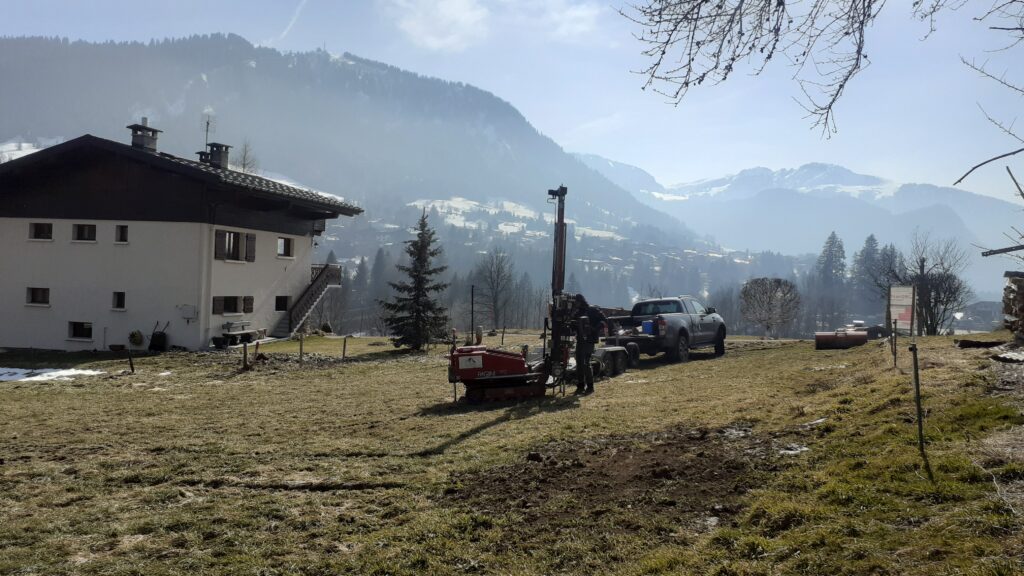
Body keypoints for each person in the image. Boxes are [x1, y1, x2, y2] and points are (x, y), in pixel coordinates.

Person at [573, 294, 606, 395]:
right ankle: (580, 385)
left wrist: (594, 329)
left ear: (581, 301)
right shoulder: (577, 313)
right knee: (579, 362)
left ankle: (590, 386)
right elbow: (573, 326)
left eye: (577, 302)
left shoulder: (592, 310)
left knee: (585, 363)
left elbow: (604, 320)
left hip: (589, 340)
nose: (576, 304)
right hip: (580, 340)